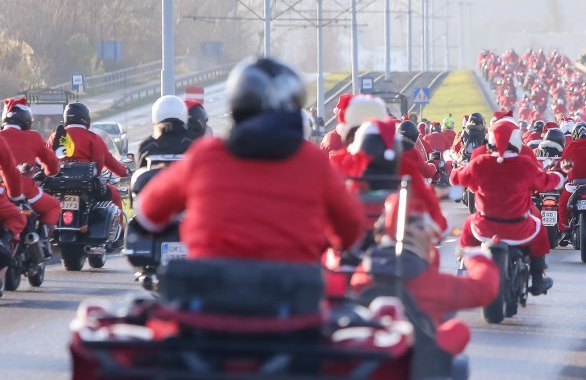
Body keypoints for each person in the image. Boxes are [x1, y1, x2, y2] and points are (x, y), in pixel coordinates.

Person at [136, 56, 364, 262]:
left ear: (236, 106)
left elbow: (148, 214)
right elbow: (351, 233)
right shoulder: (314, 162)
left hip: (209, 296)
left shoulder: (206, 156)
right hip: (293, 296)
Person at [351, 194, 499, 356]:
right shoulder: (431, 282)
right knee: (458, 331)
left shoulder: (359, 274)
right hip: (412, 364)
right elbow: (485, 288)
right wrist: (478, 259)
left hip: (358, 362)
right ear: (423, 239)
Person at [450, 118, 564, 295]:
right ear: (517, 139)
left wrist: (456, 170)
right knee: (540, 229)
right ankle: (538, 277)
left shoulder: (480, 162)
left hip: (485, 226)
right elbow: (546, 181)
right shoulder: (525, 164)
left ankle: (464, 271)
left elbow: (457, 179)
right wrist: (559, 177)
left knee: (468, 226)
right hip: (518, 227)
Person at [47, 102, 129, 211]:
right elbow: (102, 162)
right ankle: (118, 228)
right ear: (86, 118)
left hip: (58, 187)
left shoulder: (54, 136)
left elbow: (47, 160)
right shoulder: (93, 138)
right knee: (114, 194)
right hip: (87, 187)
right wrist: (124, 171)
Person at [0, 97, 62, 231]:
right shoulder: (33, 136)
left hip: (2, 192)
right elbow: (51, 164)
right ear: (26, 118)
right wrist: (50, 172)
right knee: (53, 206)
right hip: (25, 190)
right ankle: (43, 240)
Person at [136, 95, 198, 170]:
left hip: (156, 181)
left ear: (155, 116)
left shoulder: (146, 146)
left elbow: (140, 176)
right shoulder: (196, 142)